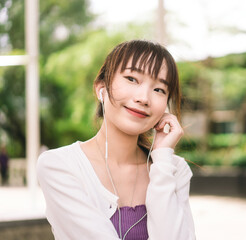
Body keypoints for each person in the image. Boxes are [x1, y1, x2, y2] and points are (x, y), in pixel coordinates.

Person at [36, 40, 196, 240]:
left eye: (159, 90)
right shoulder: (59, 166)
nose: (143, 98)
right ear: (101, 88)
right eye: (132, 79)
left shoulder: (174, 169)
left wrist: (162, 158)